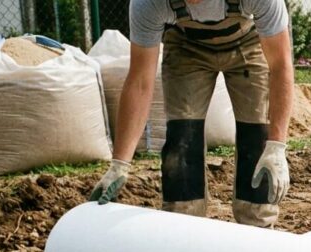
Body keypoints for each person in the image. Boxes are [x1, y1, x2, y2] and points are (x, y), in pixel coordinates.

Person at [89, 0, 294, 228]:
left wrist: (276, 146)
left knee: (257, 136)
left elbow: (281, 65)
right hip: (186, 47)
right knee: (182, 139)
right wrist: (120, 164)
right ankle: (183, 228)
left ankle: (258, 228)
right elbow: (140, 82)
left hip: (248, 42)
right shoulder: (147, 4)